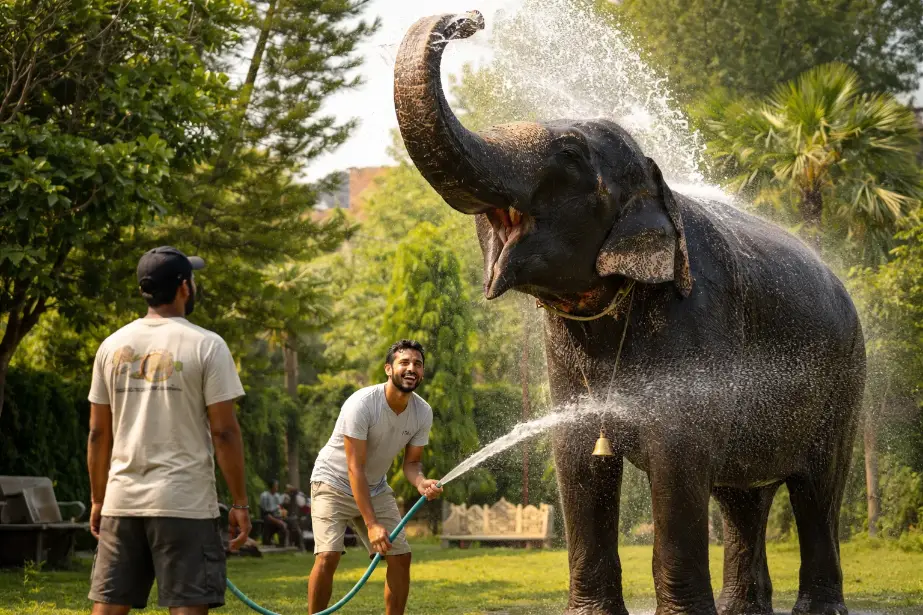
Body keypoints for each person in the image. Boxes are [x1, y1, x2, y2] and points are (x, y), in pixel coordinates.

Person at [86, 246, 251, 615]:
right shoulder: (207, 345)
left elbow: (98, 434)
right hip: (185, 502)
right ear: (184, 288)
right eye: (192, 277)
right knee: (188, 606)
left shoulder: (111, 346)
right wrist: (239, 502)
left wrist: (99, 500)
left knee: (109, 606)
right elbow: (224, 432)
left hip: (122, 501)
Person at [307, 339, 443, 615]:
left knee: (401, 557)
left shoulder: (422, 411)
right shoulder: (362, 403)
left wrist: (421, 482)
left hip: (375, 487)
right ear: (388, 369)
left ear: (423, 373)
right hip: (332, 483)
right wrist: (371, 524)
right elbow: (354, 467)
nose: (411, 368)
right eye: (403, 362)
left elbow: (412, 463)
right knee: (328, 556)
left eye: (417, 364)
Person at [259, 479, 288, 546]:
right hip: (268, 515)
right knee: (280, 524)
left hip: (276, 515)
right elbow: (265, 511)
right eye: (276, 486)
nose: (277, 487)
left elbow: (279, 507)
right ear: (272, 487)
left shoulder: (277, 496)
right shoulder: (264, 495)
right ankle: (270, 541)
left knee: (288, 522)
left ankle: (282, 543)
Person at [281, 484, 306, 551]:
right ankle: (299, 546)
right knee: (295, 527)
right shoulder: (285, 497)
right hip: (286, 518)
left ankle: (300, 546)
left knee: (296, 528)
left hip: (293, 518)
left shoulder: (297, 497)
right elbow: (282, 506)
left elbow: (302, 504)